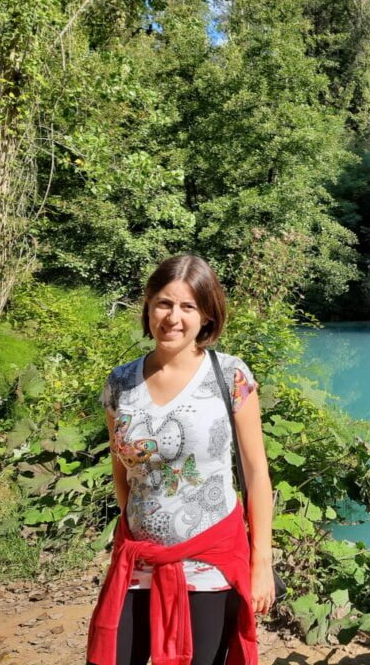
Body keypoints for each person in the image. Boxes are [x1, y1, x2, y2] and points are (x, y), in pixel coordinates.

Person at [87, 254, 275, 665]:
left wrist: (261, 562)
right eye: (164, 303)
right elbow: (123, 470)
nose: (173, 317)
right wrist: (141, 525)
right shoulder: (120, 382)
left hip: (209, 566)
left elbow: (257, 474)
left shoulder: (230, 377)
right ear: (148, 307)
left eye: (188, 306)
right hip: (137, 560)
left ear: (207, 316)